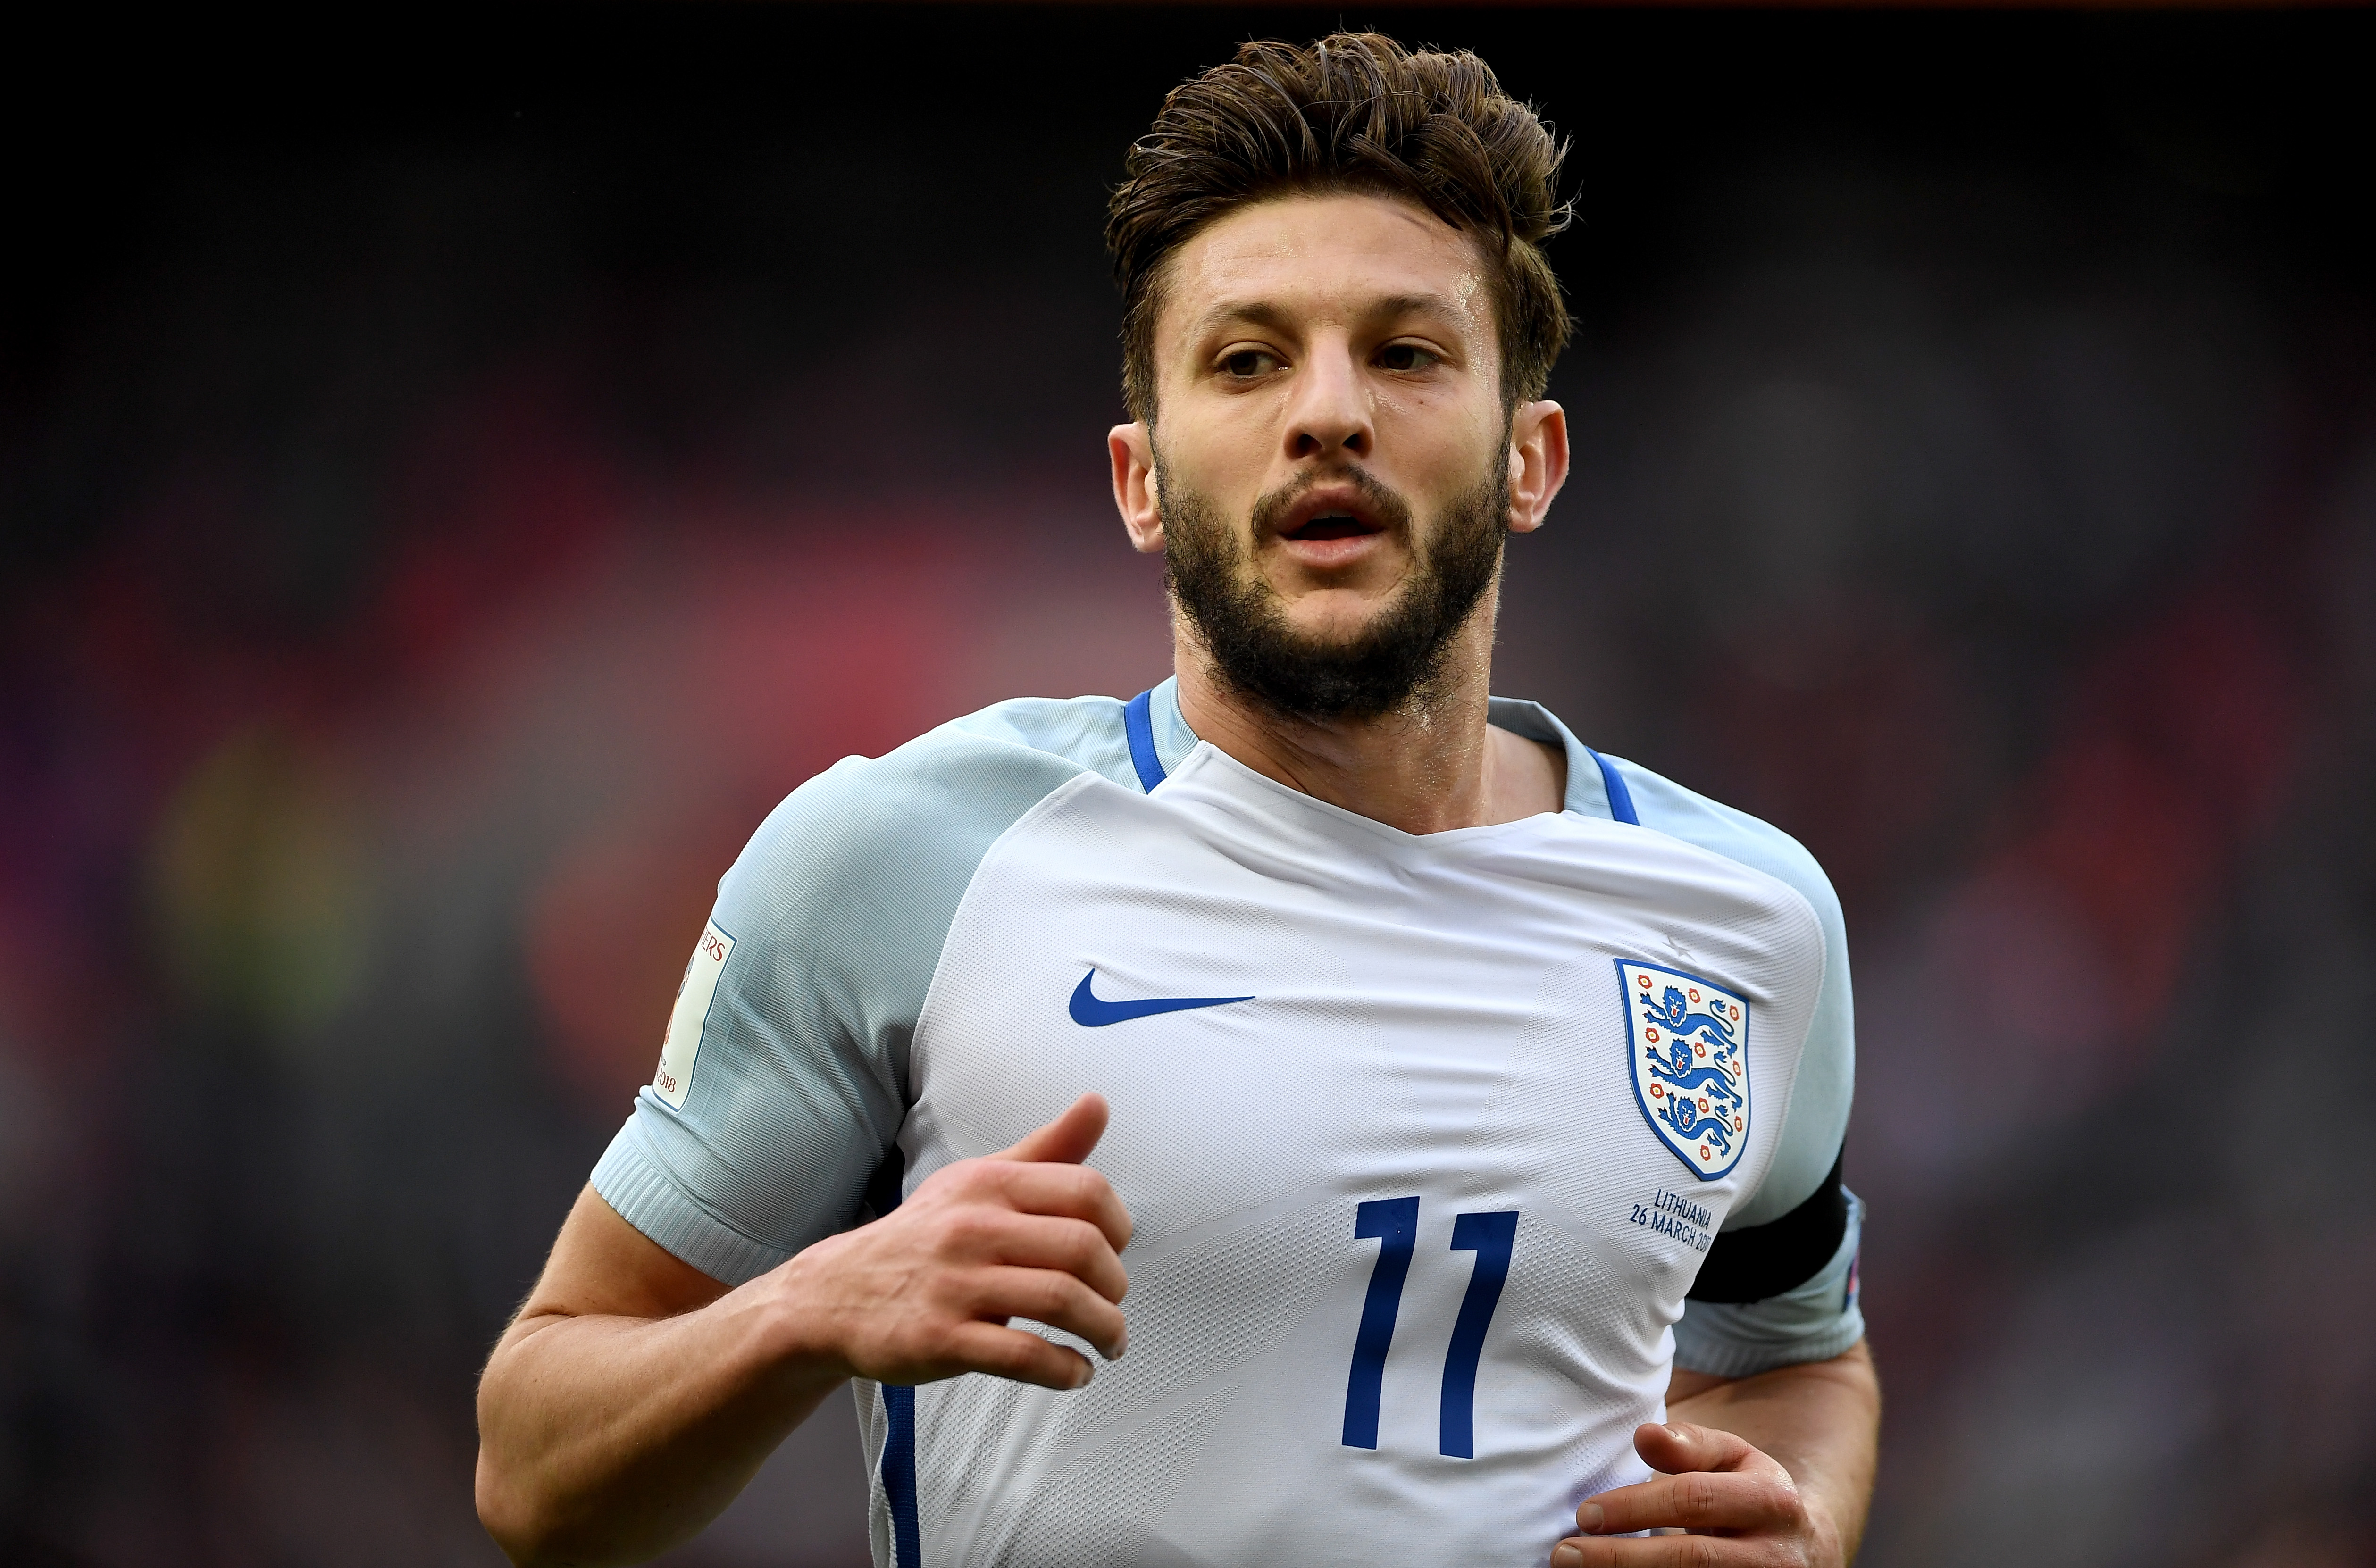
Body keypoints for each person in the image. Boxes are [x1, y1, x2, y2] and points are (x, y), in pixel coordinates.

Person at [476, 32, 1879, 1568]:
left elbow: (1800, 1352)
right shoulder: (902, 860)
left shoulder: (1749, 919)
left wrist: (1797, 1518)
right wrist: (807, 1308)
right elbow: (535, 1469)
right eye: (1246, 357)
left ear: (1528, 457)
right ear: (1141, 481)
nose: (1328, 412)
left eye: (1405, 352)